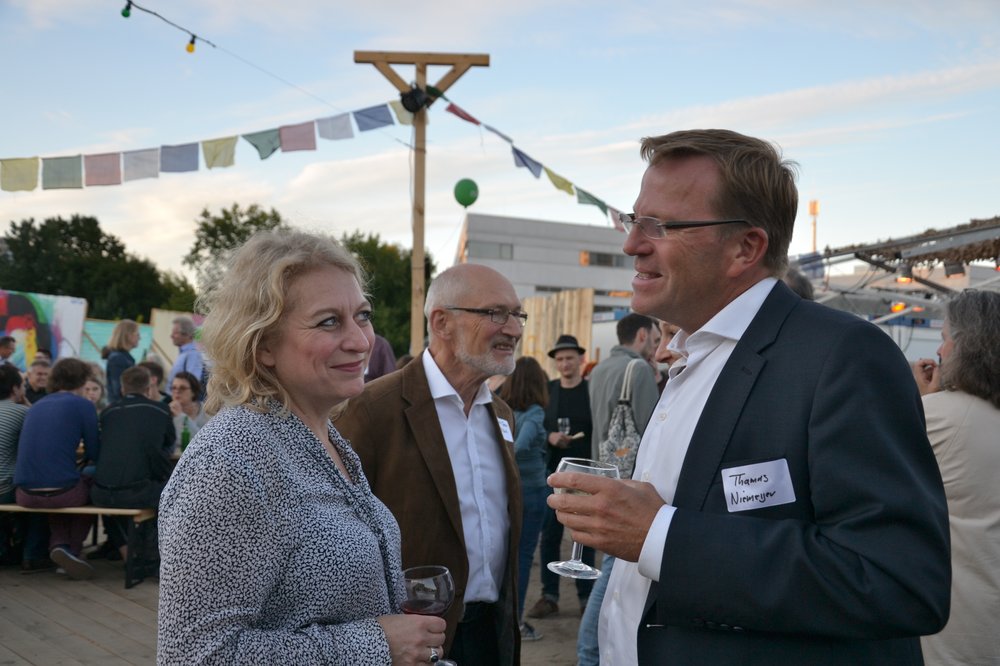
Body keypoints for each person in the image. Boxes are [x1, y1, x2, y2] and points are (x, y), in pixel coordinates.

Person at [548, 129, 950, 665]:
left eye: (660, 225)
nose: (632, 244)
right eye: (632, 219)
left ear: (746, 248)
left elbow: (899, 582)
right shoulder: (690, 356)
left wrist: (660, 535)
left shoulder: (843, 355)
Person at [157, 229, 444, 664]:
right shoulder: (232, 460)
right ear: (263, 345)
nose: (360, 340)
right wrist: (376, 645)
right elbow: (194, 656)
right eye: (329, 321)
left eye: (362, 316)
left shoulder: (321, 437)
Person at [334, 263, 524, 666]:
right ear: (441, 322)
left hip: (493, 634)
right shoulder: (371, 410)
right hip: (412, 642)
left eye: (517, 314)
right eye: (496, 313)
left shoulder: (502, 414)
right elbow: (336, 540)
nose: (513, 329)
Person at [911, 289, 1000, 665]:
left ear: (967, 346)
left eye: (945, 338)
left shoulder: (940, 417)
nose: (939, 351)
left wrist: (922, 401)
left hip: (953, 627)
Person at [576, 315, 661, 666]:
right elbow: (654, 433)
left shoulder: (599, 370)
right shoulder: (637, 370)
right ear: (641, 335)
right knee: (614, 568)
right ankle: (589, 653)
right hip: (630, 482)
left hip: (602, 473)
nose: (658, 346)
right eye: (655, 338)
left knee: (611, 565)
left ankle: (589, 652)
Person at [528, 334, 596, 621]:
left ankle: (586, 597)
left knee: (585, 536)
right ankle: (550, 596)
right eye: (560, 359)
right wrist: (550, 437)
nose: (565, 363)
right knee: (550, 536)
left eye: (569, 358)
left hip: (587, 476)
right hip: (554, 475)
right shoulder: (549, 390)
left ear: (580, 359)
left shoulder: (591, 390)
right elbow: (537, 426)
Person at [13, 357, 100, 580]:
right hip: (63, 493)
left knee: (58, 485)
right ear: (82, 380)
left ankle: (60, 545)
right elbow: (94, 452)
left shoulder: (36, 406)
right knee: (93, 486)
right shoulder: (84, 405)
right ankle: (72, 549)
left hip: (24, 494)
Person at [91, 366, 173, 560]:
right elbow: (167, 446)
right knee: (170, 492)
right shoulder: (160, 410)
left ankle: (123, 547)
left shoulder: (108, 412)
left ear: (122, 389)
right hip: (137, 493)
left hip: (100, 494)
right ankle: (152, 552)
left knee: (111, 493)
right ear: (148, 388)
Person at [496, 355, 549, 643]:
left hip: (510, 490)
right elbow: (521, 445)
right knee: (523, 557)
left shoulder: (504, 411)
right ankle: (514, 622)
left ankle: (506, 618)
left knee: (508, 556)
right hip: (531, 490)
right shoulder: (535, 413)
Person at [0, 364, 29, 565]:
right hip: (4, 489)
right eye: (23, 385)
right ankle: (30, 551)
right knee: (38, 493)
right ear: (15, 389)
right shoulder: (21, 412)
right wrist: (26, 403)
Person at [168, 371, 209, 452]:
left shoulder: (206, 411)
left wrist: (181, 416)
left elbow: (202, 441)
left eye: (182, 388)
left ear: (193, 391)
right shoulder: (167, 411)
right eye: (174, 388)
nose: (177, 391)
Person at [103, 319, 139, 401]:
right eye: (137, 334)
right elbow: (118, 389)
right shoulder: (118, 358)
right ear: (128, 335)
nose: (139, 338)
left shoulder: (123, 357)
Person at [167, 315, 204, 391]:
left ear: (187, 334)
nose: (171, 336)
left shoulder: (193, 355)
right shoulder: (185, 354)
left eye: (175, 333)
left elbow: (192, 385)